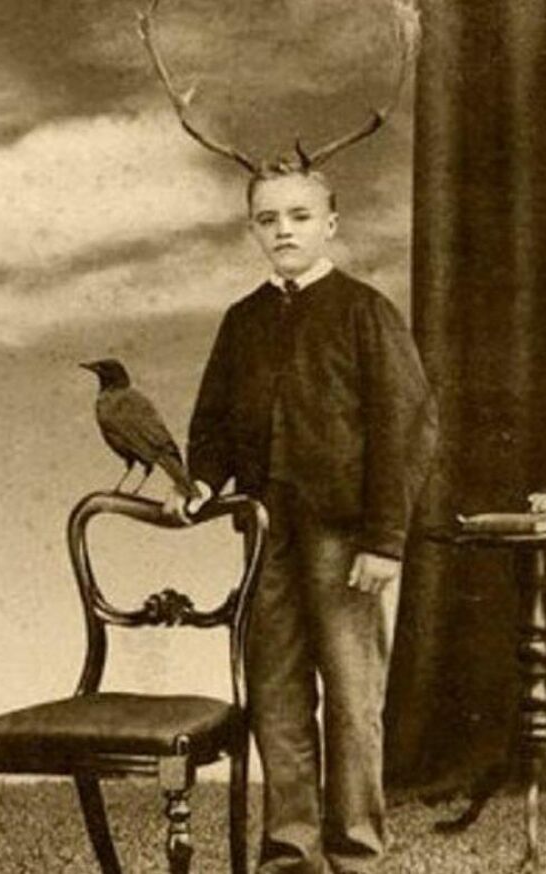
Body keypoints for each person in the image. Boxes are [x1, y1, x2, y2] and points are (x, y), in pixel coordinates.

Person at [172, 162, 438, 873]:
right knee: (277, 697)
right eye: (268, 219)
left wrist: (385, 540)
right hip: (266, 536)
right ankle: (291, 853)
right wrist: (200, 482)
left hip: (347, 540)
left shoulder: (364, 311)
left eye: (298, 216)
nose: (283, 231)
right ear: (253, 229)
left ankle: (354, 854)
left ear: (331, 224)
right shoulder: (243, 321)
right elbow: (214, 425)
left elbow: (405, 430)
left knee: (353, 703)